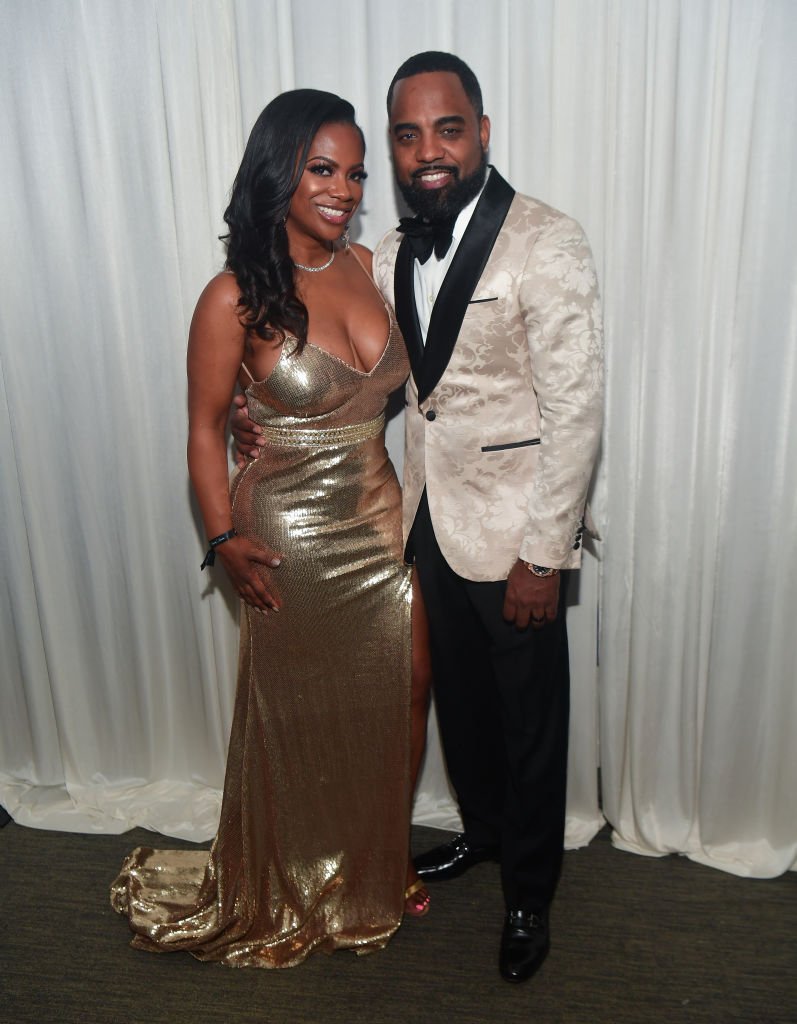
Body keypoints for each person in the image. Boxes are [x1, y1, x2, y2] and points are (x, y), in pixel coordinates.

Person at [236, 52, 603, 983]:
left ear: (482, 132)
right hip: (420, 526)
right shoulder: (392, 252)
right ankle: (483, 834)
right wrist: (260, 408)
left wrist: (544, 554)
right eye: (407, 135)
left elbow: (576, 415)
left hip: (519, 536)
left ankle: (529, 889)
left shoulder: (547, 241)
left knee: (528, 721)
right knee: (464, 712)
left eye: (447, 128)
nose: (427, 150)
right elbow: (365, 372)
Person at [111, 88, 432, 970]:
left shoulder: (370, 262)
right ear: (278, 170)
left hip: (377, 515)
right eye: (322, 168)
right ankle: (291, 876)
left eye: (356, 172)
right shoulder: (232, 297)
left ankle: (377, 855)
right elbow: (203, 428)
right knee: (296, 712)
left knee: (404, 685)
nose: (344, 188)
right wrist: (221, 540)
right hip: (284, 530)